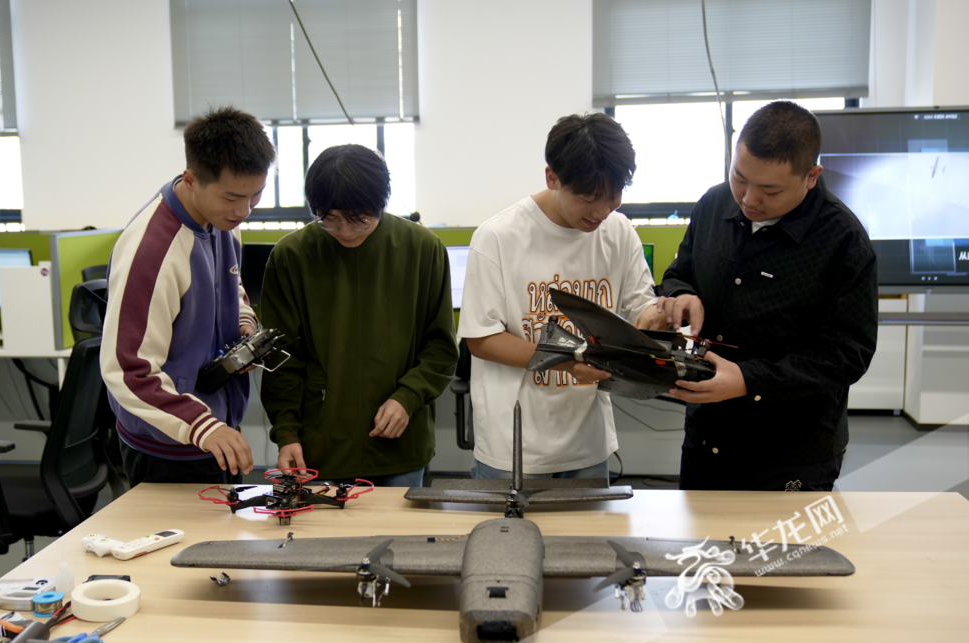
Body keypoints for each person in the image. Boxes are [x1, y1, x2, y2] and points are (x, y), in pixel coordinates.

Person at [658, 100, 878, 491]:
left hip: (791, 452)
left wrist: (747, 379)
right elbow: (680, 272)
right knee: (698, 550)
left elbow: (846, 356)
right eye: (739, 177)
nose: (748, 199)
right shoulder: (712, 205)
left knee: (779, 553)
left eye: (769, 190)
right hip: (707, 436)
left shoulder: (844, 241)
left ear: (811, 176)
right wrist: (680, 294)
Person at [458, 112, 663, 480]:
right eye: (588, 198)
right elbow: (481, 338)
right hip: (513, 449)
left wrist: (653, 319)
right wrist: (566, 361)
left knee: (590, 540)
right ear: (552, 177)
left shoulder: (618, 231)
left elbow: (639, 305)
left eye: (614, 196)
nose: (601, 211)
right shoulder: (498, 237)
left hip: (587, 443)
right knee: (506, 539)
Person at [259, 144, 458, 487]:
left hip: (400, 445)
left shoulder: (423, 250)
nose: (346, 232)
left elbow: (440, 347)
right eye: (330, 220)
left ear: (382, 204)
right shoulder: (291, 256)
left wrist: (407, 398)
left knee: (395, 539)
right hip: (319, 448)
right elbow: (282, 359)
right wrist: (286, 432)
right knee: (324, 541)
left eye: (359, 221)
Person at [102, 106, 275, 487]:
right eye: (233, 197)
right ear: (192, 179)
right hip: (167, 446)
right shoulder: (153, 250)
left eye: (256, 195)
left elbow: (233, 286)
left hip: (213, 430)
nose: (244, 210)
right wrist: (201, 426)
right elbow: (127, 370)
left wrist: (243, 322)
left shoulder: (223, 220)